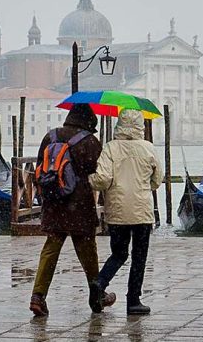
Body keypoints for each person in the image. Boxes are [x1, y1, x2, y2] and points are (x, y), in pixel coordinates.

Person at [29, 103, 116, 317]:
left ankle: (37, 296)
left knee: (50, 249)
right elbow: (97, 172)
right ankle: (97, 294)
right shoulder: (89, 141)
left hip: (54, 202)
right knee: (88, 251)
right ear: (88, 120)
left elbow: (41, 167)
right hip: (79, 205)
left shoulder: (50, 137)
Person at [89, 109, 163, 315]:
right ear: (141, 125)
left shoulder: (111, 148)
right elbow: (157, 180)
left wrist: (89, 180)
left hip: (117, 211)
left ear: (119, 124)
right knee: (139, 256)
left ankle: (100, 282)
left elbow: (102, 179)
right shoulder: (148, 148)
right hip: (141, 212)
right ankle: (133, 301)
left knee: (119, 253)